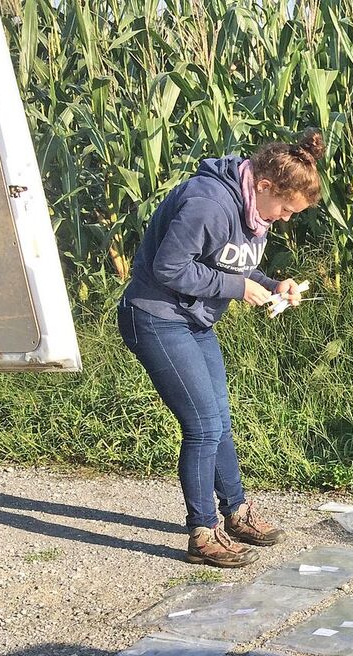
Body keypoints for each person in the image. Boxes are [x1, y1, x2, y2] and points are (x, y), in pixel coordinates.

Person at [117, 129, 325, 567]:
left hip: (195, 319)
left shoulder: (253, 208)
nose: (285, 219)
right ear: (264, 186)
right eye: (286, 209)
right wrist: (237, 289)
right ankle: (202, 532)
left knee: (220, 421)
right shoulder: (208, 203)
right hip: (156, 316)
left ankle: (236, 512)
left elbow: (230, 262)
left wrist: (272, 284)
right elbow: (169, 268)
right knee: (203, 426)